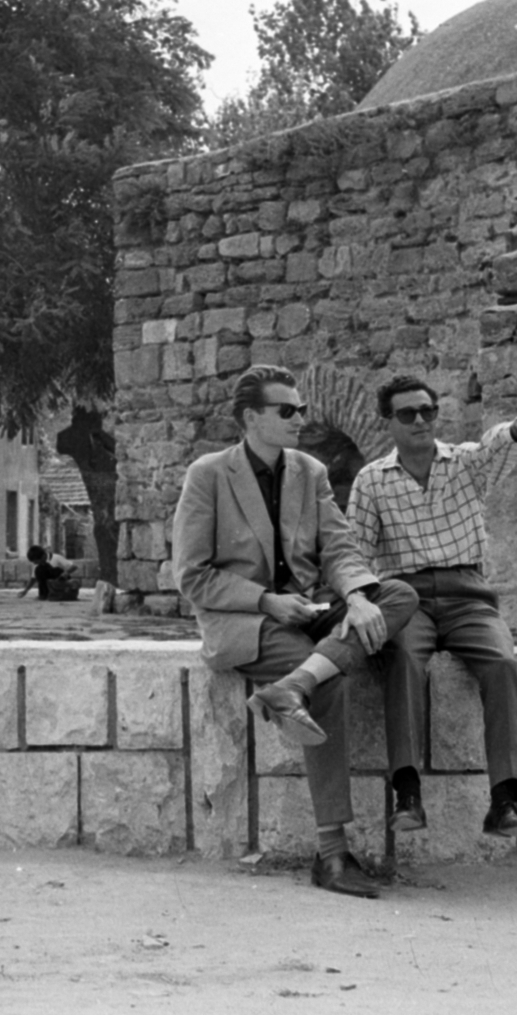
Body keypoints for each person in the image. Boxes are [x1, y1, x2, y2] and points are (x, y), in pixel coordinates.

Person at [173, 365, 419, 899]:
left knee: (398, 597)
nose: (300, 418)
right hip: (247, 620)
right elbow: (192, 576)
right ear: (250, 419)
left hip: (312, 608)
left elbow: (339, 547)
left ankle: (294, 687)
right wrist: (266, 600)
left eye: (302, 408)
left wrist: (355, 597)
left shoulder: (310, 471)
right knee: (334, 683)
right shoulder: (209, 475)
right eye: (287, 410)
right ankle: (332, 854)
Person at [346, 375, 517, 842]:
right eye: (407, 413)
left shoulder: (462, 464)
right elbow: (355, 549)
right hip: (406, 595)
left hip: (468, 595)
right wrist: (357, 597)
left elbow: (495, 447)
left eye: (427, 411)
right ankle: (407, 794)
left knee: (501, 662)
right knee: (400, 660)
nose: (420, 420)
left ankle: (505, 803)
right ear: (388, 422)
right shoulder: (371, 481)